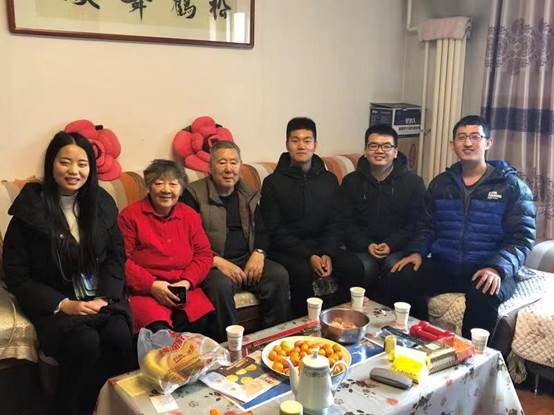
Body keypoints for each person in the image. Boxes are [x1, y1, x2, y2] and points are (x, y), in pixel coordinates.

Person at [2, 131, 134, 415]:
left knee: (120, 336)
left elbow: (115, 256)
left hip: (100, 296)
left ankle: (112, 407)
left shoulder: (101, 203)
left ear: (91, 168)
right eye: (65, 162)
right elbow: (16, 274)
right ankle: (72, 408)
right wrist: (64, 304)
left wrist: (105, 297)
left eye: (82, 164)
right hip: (56, 302)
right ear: (51, 164)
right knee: (85, 343)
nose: (74, 171)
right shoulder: (30, 208)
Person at [387, 115, 536, 338]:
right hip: (446, 264)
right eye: (462, 137)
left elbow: (522, 237)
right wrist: (417, 252)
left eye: (475, 137)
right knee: (401, 276)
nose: (468, 143)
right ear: (452, 144)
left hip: (487, 267)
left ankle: (471, 355)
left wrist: (497, 268)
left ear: (488, 143)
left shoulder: (511, 186)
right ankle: (419, 339)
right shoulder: (441, 184)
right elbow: (426, 225)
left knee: (484, 294)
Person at [181, 141, 290, 341]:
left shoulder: (248, 193)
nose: (229, 169)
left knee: (278, 275)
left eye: (234, 162)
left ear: (240, 165)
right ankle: (228, 347)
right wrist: (217, 261)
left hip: (246, 259)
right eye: (222, 162)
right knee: (220, 286)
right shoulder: (192, 194)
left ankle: (273, 341)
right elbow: (186, 240)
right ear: (210, 167)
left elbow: (262, 230)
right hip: (210, 262)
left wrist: (259, 253)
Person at [260, 117, 364, 317]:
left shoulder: (329, 179)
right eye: (295, 140)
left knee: (353, 265)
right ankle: (306, 326)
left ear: (315, 144)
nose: (301, 146)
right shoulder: (273, 183)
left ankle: (342, 320)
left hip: (323, 245)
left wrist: (327, 252)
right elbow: (275, 229)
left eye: (307, 140)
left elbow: (336, 221)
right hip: (288, 250)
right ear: (287, 144)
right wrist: (309, 255)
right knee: (302, 272)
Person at [117, 160, 214, 335]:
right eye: (159, 183)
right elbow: (120, 260)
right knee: (159, 332)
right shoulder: (130, 216)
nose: (166, 190)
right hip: (145, 291)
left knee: (201, 323)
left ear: (181, 188)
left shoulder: (190, 215)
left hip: (183, 287)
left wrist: (187, 282)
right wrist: (151, 285)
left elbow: (204, 254)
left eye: (173, 184)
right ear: (149, 186)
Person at [338, 124, 425, 301]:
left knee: (394, 266)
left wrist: (391, 244)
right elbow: (345, 222)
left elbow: (415, 223)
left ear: (395, 152)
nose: (379, 151)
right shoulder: (351, 182)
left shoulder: (413, 183)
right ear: (365, 150)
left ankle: (387, 314)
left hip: (398, 247)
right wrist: (367, 244)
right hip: (361, 247)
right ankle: (360, 311)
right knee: (365, 267)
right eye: (373, 146)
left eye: (386, 146)